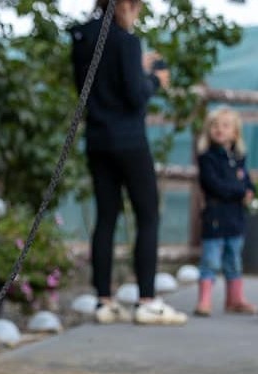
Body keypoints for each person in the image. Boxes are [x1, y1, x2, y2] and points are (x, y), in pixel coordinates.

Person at [70, 0, 187, 325]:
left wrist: (138, 66)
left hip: (97, 139)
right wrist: (153, 79)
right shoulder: (126, 40)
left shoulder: (82, 36)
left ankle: (103, 301)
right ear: (125, 5)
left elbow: (87, 87)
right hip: (130, 142)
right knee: (147, 215)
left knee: (106, 217)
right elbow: (135, 95)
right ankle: (147, 299)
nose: (136, 13)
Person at [193, 106, 257, 316]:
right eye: (215, 125)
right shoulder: (207, 158)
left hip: (235, 219)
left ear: (235, 132)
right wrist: (240, 191)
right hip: (215, 219)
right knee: (210, 260)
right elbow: (214, 185)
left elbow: (246, 182)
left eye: (225, 125)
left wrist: (248, 190)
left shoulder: (238, 158)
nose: (219, 129)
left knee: (234, 260)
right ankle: (204, 300)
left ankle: (235, 299)